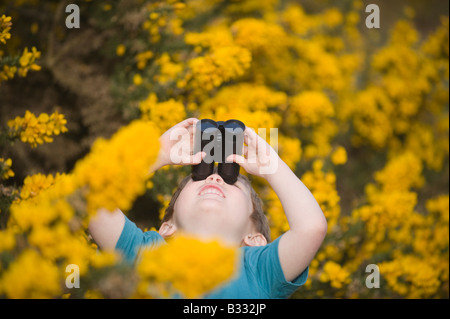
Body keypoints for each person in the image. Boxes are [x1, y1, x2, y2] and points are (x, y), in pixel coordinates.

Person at [88, 118, 327, 298]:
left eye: (232, 184)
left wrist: (271, 167)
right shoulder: (145, 253)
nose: (214, 179)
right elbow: (92, 201)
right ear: (166, 228)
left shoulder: (258, 270)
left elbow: (310, 228)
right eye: (198, 179)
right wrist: (156, 154)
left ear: (254, 239)